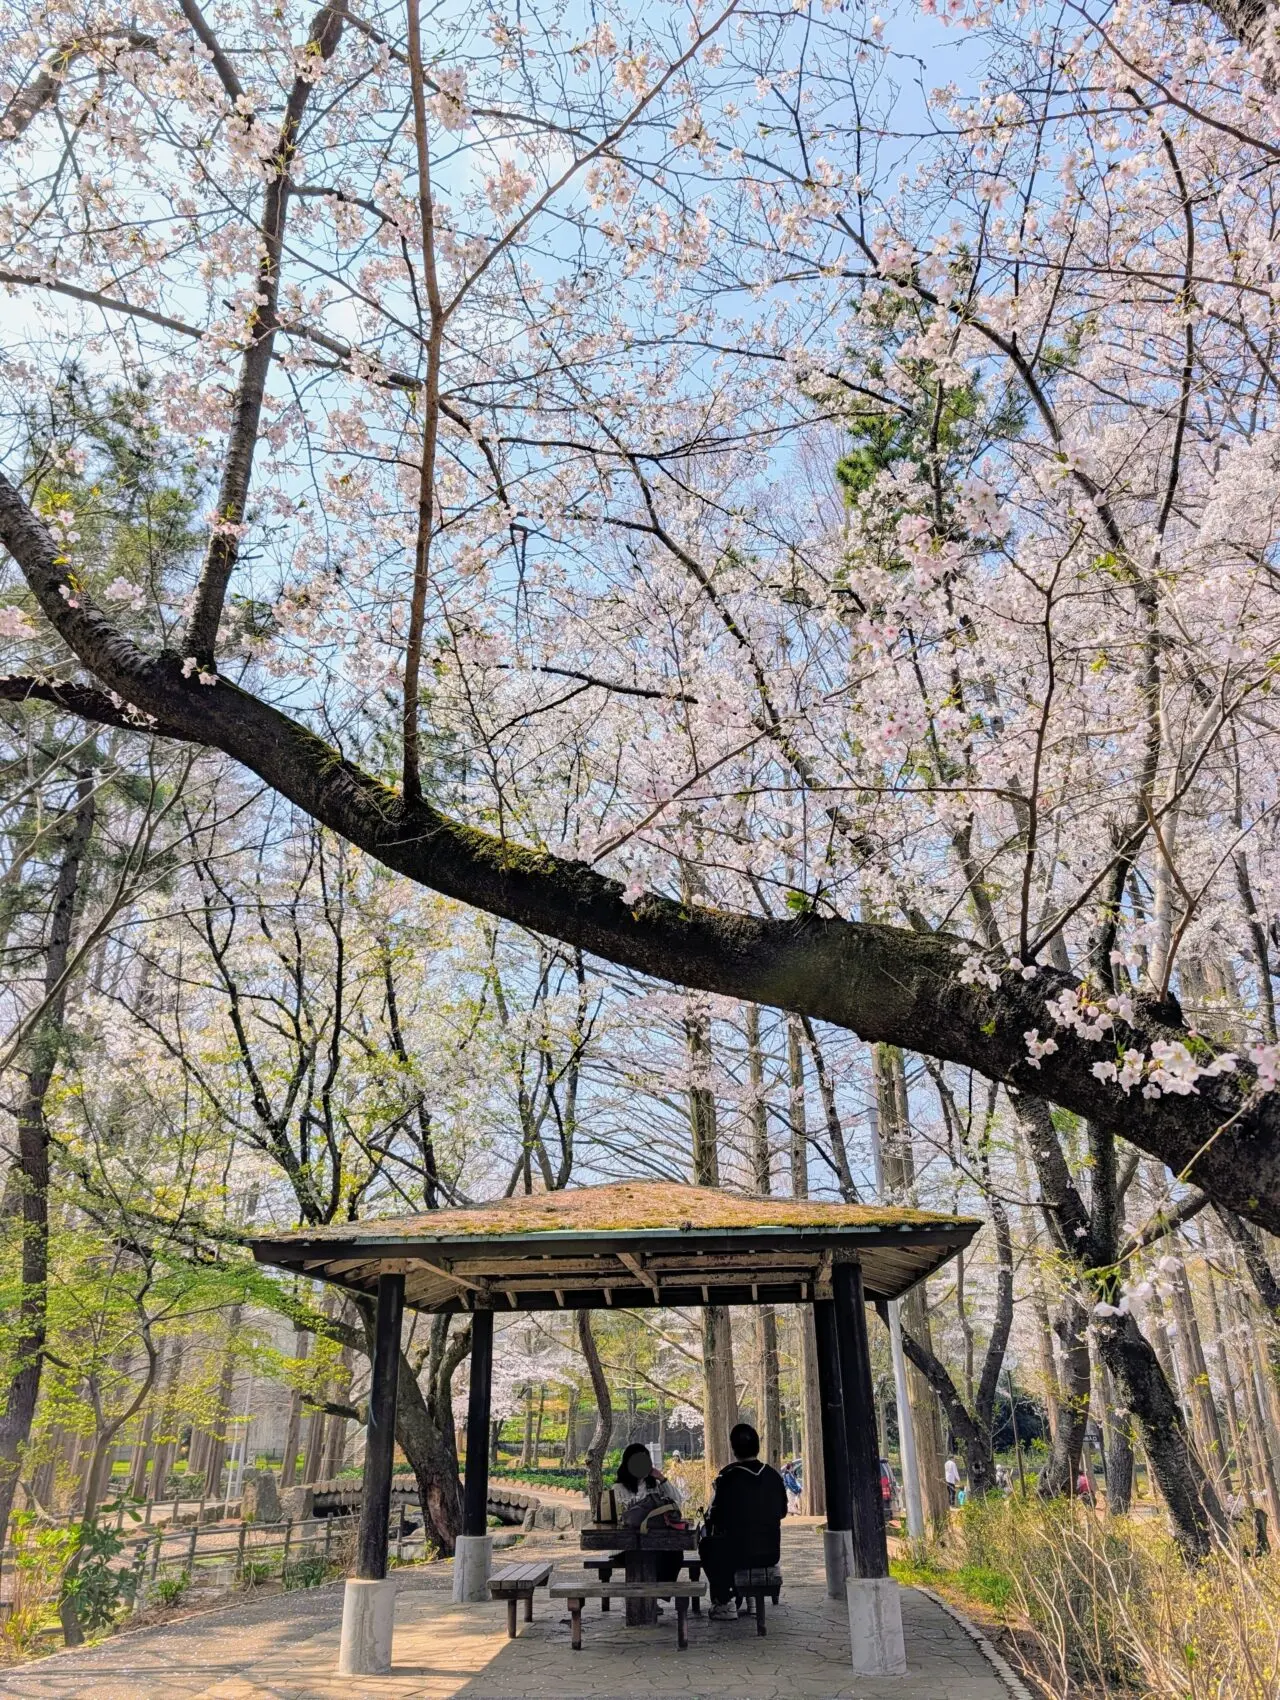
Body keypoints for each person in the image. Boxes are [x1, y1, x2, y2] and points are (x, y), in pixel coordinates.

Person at [699, 1423, 788, 1622]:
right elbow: (782, 1512)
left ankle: (725, 1602)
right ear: (758, 1446)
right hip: (770, 1553)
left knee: (708, 1546)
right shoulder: (773, 1476)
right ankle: (752, 1600)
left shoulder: (728, 1477)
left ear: (733, 1448)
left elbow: (716, 1518)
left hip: (737, 1554)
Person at [613, 1443, 683, 1588]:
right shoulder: (618, 1488)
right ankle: (648, 1599)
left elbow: (677, 1501)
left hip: (655, 1541)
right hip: (629, 1545)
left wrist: (662, 1479)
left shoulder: (654, 1485)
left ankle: (655, 1595)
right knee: (644, 1557)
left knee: (675, 1554)